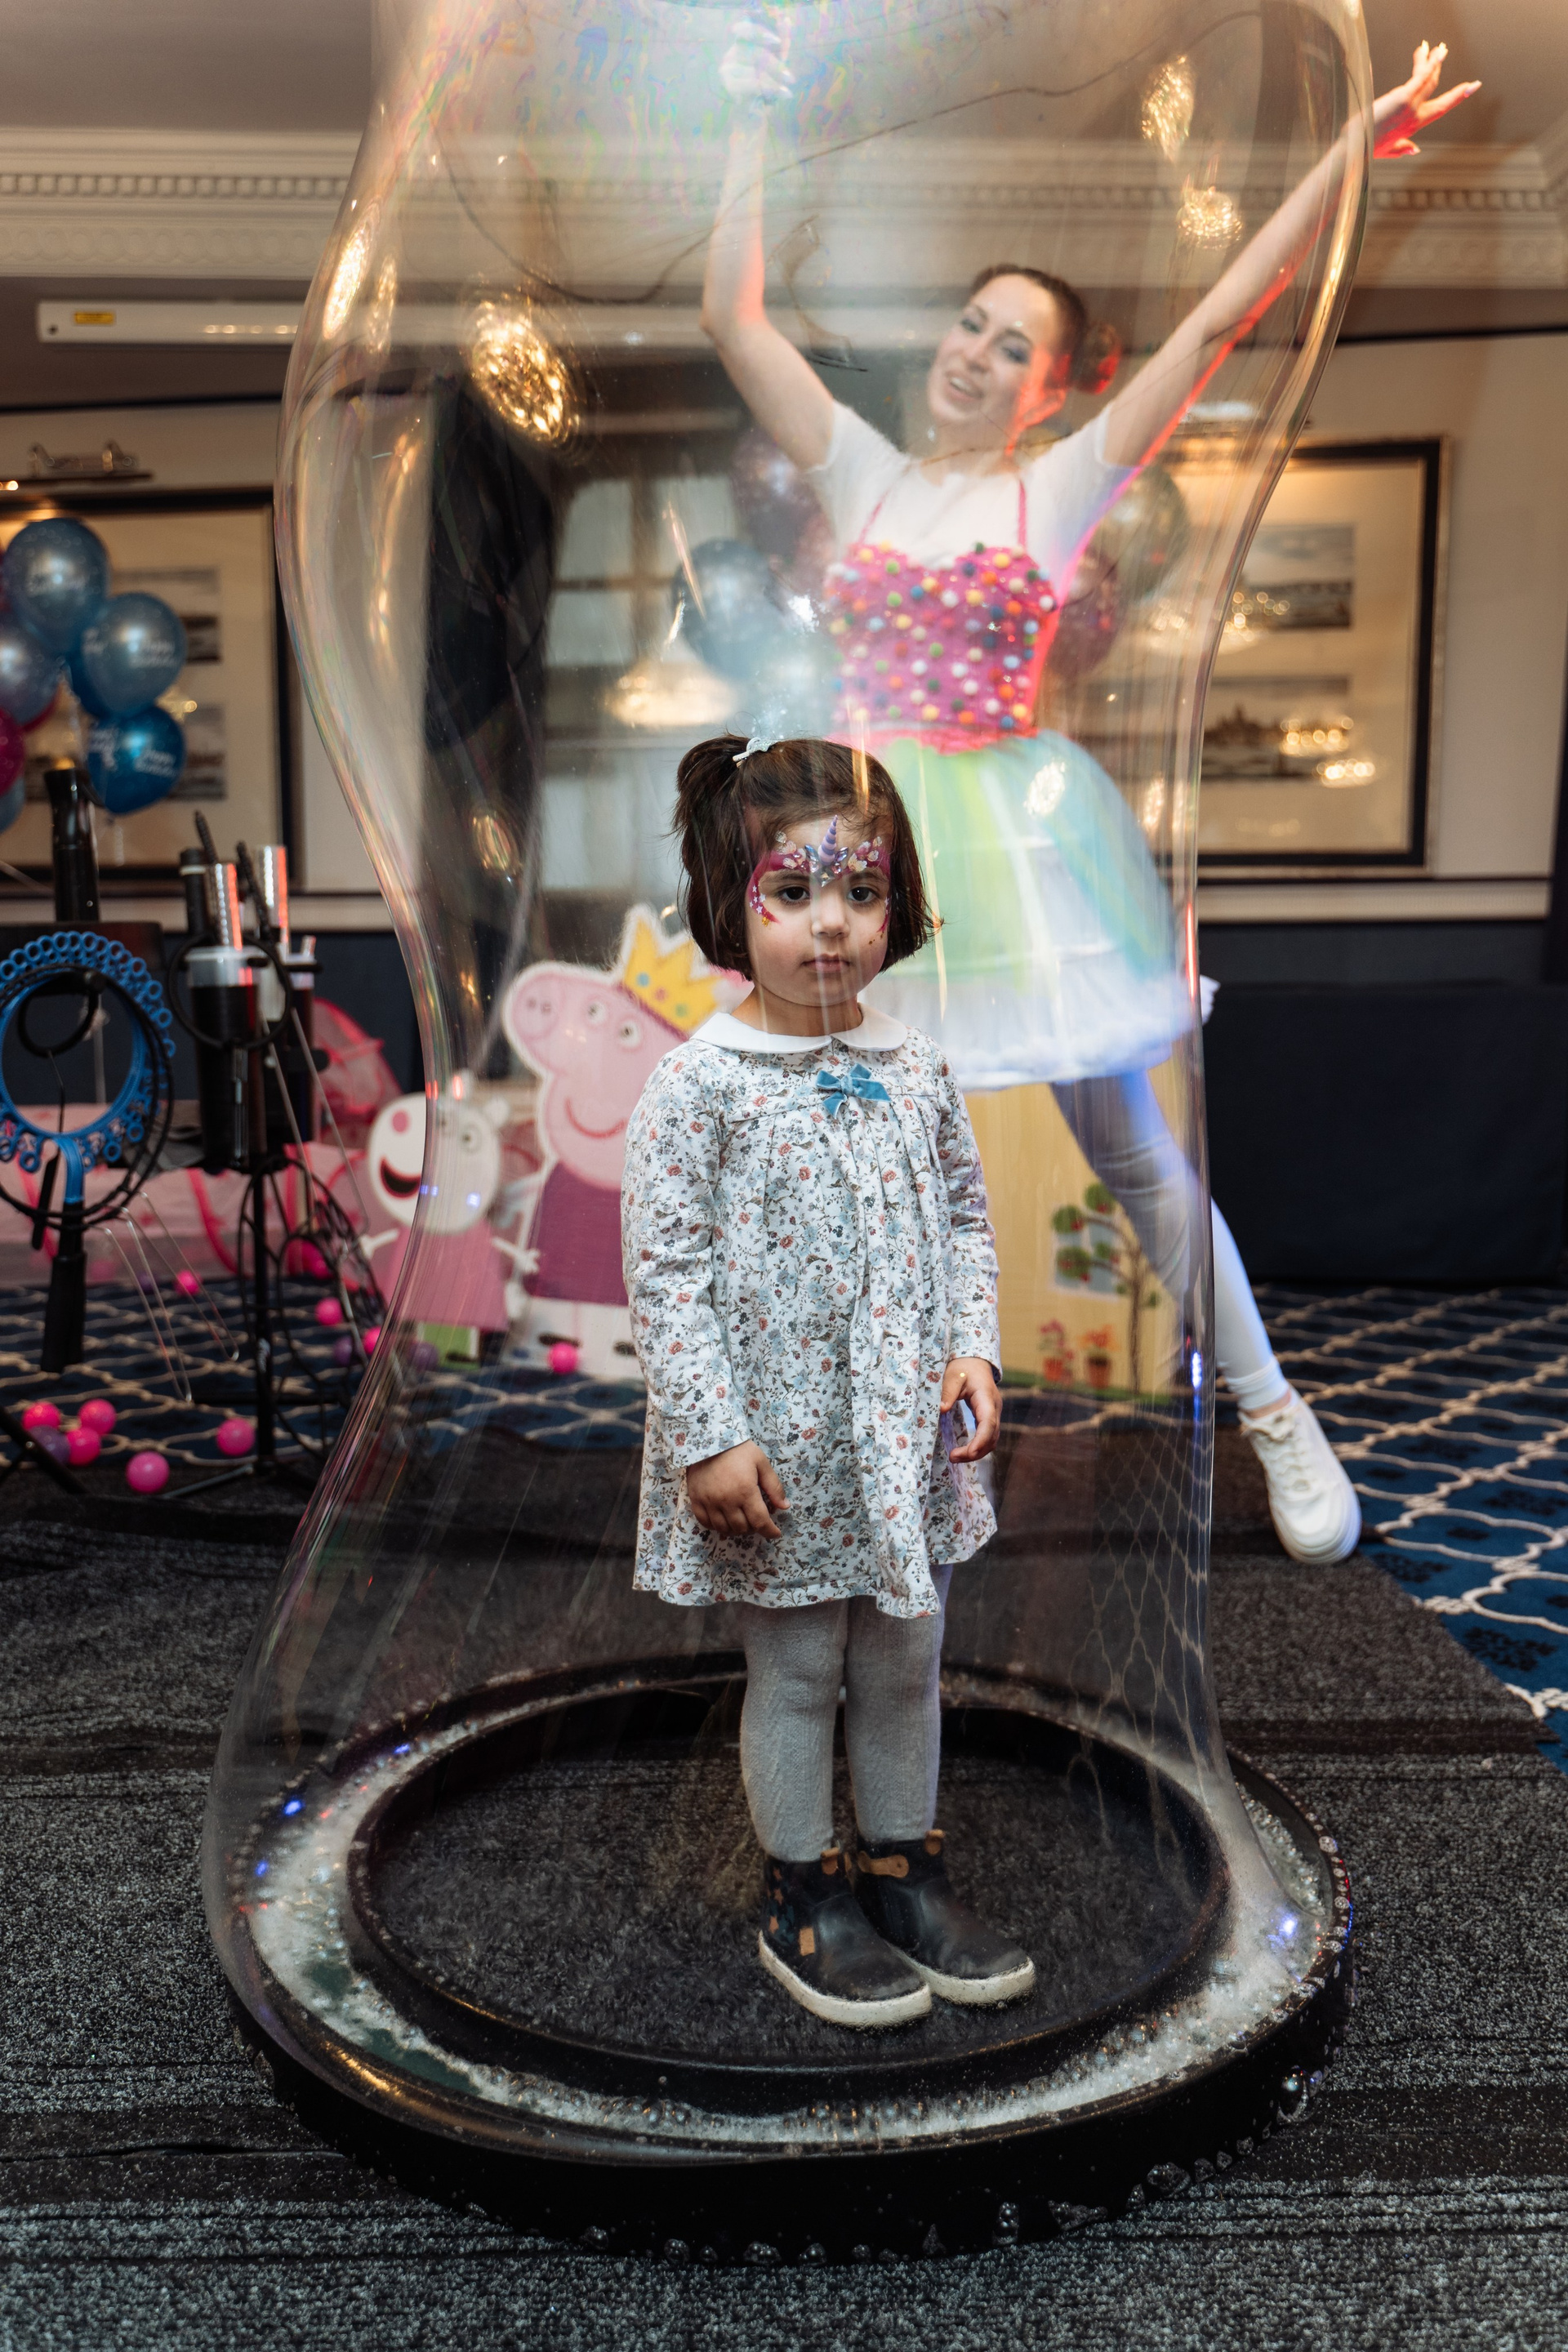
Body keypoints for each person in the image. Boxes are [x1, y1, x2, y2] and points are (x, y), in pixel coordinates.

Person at [699, 33, 1477, 1566]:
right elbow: (733, 317)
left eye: (1014, 348)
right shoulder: (862, 473)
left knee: (1130, 1156)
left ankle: (1275, 1414)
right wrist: (746, 109)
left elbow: (1222, 317)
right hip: (864, 853)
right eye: (970, 325)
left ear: (1053, 390)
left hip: (1013, 847)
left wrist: (1350, 157)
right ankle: (868, 1449)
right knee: (846, 1175)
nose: (975, 355)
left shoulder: (1053, 490)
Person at [621, 733, 1034, 2027]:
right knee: (800, 1673)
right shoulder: (699, 1085)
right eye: (791, 893)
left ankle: (904, 1871)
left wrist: (974, 1344)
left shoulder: (916, 1066)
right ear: (730, 905)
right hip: (780, 1455)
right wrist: (709, 1437)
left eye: (861, 889)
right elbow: (665, 1273)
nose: (832, 924)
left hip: (903, 1443)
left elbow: (965, 1218)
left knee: (907, 1662)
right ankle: (802, 1892)